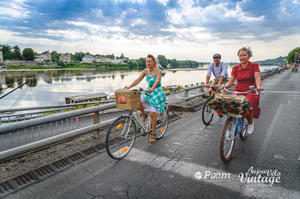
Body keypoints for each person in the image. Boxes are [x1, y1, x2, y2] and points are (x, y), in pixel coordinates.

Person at [125, 54, 166, 144]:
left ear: (154, 62)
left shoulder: (158, 71)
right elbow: (137, 80)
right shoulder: (145, 71)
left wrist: (152, 88)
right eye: (147, 61)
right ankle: (144, 114)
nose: (148, 63)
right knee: (137, 101)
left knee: (153, 114)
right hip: (148, 91)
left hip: (156, 91)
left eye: (150, 61)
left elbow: (157, 81)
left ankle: (153, 134)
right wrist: (129, 86)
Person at [225, 47, 263, 134]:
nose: (242, 57)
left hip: (250, 90)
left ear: (249, 56)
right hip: (238, 89)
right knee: (230, 106)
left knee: (248, 105)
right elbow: (231, 82)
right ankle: (229, 130)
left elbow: (257, 78)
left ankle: (250, 123)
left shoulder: (254, 66)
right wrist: (224, 86)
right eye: (240, 55)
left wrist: (259, 86)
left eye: (244, 55)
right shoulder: (235, 68)